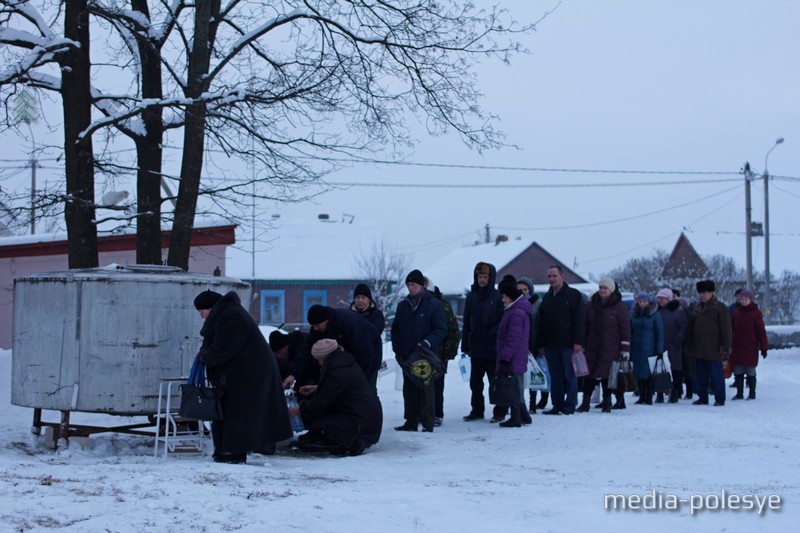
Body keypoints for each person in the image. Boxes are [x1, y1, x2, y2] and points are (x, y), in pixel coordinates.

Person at [194, 289, 293, 464]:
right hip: (245, 373)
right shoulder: (230, 313)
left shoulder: (230, 317)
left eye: (202, 312)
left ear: (211, 308)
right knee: (238, 412)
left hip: (247, 375)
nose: (202, 317)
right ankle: (229, 450)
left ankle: (233, 451)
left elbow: (224, 348)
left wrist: (204, 355)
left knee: (238, 413)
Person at [290, 339, 382, 456]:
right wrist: (316, 388)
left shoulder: (338, 370)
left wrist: (299, 409)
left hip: (360, 423)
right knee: (318, 421)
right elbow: (342, 388)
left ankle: (353, 441)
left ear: (324, 357)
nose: (318, 362)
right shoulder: (343, 362)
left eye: (318, 359)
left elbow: (324, 400)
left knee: (319, 423)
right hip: (364, 417)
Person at [392, 269, 447, 432]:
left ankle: (428, 422)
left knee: (426, 387)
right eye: (408, 285)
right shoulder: (403, 305)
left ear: (422, 285)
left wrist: (427, 343)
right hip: (407, 353)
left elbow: (441, 329)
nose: (410, 288)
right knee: (408, 388)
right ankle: (410, 421)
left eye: (413, 284)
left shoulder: (434, 304)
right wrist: (397, 348)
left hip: (425, 353)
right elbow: (395, 329)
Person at [286, 304, 383, 390]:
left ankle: (370, 408)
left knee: (364, 389)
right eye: (313, 325)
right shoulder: (318, 327)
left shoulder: (349, 324)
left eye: (317, 325)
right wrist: (294, 374)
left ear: (327, 320)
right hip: (354, 354)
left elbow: (364, 352)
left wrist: (360, 378)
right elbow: (307, 351)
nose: (315, 328)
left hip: (371, 352)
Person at [535, 265, 586, 415]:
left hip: (569, 344)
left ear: (562, 277)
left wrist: (578, 341)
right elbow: (541, 323)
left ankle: (570, 404)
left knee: (569, 375)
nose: (551, 279)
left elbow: (580, 320)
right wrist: (541, 343)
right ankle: (557, 404)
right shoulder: (547, 298)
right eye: (549, 276)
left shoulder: (573, 295)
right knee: (555, 376)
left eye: (554, 276)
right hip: (551, 345)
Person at [461, 262, 506, 422]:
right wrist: (465, 344)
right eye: (479, 276)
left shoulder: (497, 297)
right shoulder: (472, 297)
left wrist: (490, 334)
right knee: (475, 383)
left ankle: (499, 411)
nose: (481, 280)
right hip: (476, 348)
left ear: (490, 278)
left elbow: (502, 321)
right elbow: (467, 322)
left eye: (484, 277)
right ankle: (477, 409)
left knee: (495, 382)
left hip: (492, 348)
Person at [581, 276, 631, 413]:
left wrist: (625, 348)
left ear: (611, 290)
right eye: (601, 287)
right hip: (592, 346)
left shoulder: (619, 306)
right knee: (589, 375)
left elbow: (625, 328)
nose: (602, 290)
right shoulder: (591, 305)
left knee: (608, 376)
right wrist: (582, 343)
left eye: (605, 288)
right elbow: (585, 326)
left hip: (611, 347)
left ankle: (607, 402)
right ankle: (585, 402)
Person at [685, 280, 732, 406]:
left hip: (714, 348)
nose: (702, 295)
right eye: (700, 292)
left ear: (712, 292)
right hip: (699, 348)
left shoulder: (720, 308)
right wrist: (689, 345)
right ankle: (702, 397)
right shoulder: (697, 309)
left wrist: (725, 347)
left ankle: (720, 398)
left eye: (705, 292)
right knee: (701, 376)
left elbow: (726, 329)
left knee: (716, 376)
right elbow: (691, 329)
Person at [495, 276, 533, 427]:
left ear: (511, 298)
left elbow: (513, 338)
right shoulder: (516, 310)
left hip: (513, 357)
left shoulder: (516, 313)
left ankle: (516, 418)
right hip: (516, 356)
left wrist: (505, 356)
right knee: (516, 384)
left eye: (505, 297)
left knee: (514, 386)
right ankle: (524, 415)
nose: (503, 300)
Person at [425, 276, 461, 427]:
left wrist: (448, 353)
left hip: (439, 353)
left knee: (437, 385)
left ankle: (437, 414)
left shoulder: (442, 304)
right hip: (422, 352)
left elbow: (453, 330)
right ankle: (424, 413)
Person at [729, 290, 768, 400]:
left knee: (751, 370)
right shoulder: (736, 312)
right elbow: (730, 328)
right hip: (737, 346)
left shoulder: (756, 313)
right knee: (738, 370)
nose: (743, 301)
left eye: (745, 299)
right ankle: (739, 393)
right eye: (741, 299)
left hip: (750, 347)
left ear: (750, 300)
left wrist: (764, 347)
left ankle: (752, 392)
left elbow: (761, 331)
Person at [517, 276, 548, 413]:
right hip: (520, 345)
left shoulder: (538, 304)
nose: (523, 292)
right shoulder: (515, 304)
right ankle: (521, 402)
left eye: (525, 289)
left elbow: (542, 325)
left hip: (535, 343)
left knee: (535, 374)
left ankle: (534, 403)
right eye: (520, 290)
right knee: (522, 375)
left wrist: (541, 344)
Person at [629, 292, 664, 406]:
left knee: (649, 374)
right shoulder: (633, 315)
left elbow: (660, 334)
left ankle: (649, 396)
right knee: (639, 373)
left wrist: (659, 350)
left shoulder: (655, 315)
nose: (642, 304)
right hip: (636, 347)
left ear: (649, 302)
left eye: (644, 301)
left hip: (650, 348)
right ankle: (641, 396)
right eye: (640, 301)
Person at [656, 288, 688, 403]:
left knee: (675, 370)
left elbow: (683, 327)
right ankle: (659, 393)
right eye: (659, 298)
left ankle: (675, 393)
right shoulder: (657, 311)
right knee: (659, 369)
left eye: (662, 298)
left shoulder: (678, 311)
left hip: (674, 345)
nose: (660, 300)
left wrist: (677, 340)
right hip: (660, 345)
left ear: (668, 299)